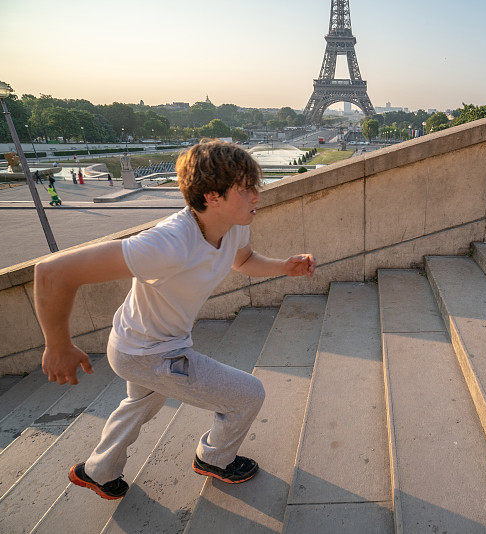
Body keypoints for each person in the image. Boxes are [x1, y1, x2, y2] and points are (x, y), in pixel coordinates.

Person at [33, 141, 315, 500]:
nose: (257, 196)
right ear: (212, 196)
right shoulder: (168, 243)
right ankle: (213, 458)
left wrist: (284, 268)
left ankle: (97, 471)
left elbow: (241, 261)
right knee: (247, 395)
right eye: (245, 189)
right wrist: (57, 346)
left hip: (144, 341)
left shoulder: (236, 224)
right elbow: (52, 272)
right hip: (148, 353)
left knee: (142, 404)